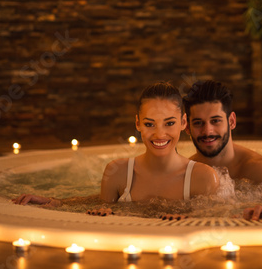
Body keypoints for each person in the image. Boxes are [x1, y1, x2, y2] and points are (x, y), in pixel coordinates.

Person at [13, 82, 220, 217]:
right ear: (137, 123)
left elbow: (216, 221)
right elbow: (101, 204)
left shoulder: (203, 177)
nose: (159, 134)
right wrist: (54, 202)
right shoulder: (118, 173)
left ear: (184, 122)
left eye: (169, 123)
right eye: (149, 124)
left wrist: (191, 217)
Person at [183, 80, 262, 221]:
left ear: (231, 121)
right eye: (198, 123)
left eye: (215, 121)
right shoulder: (185, 174)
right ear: (187, 127)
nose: (207, 131)